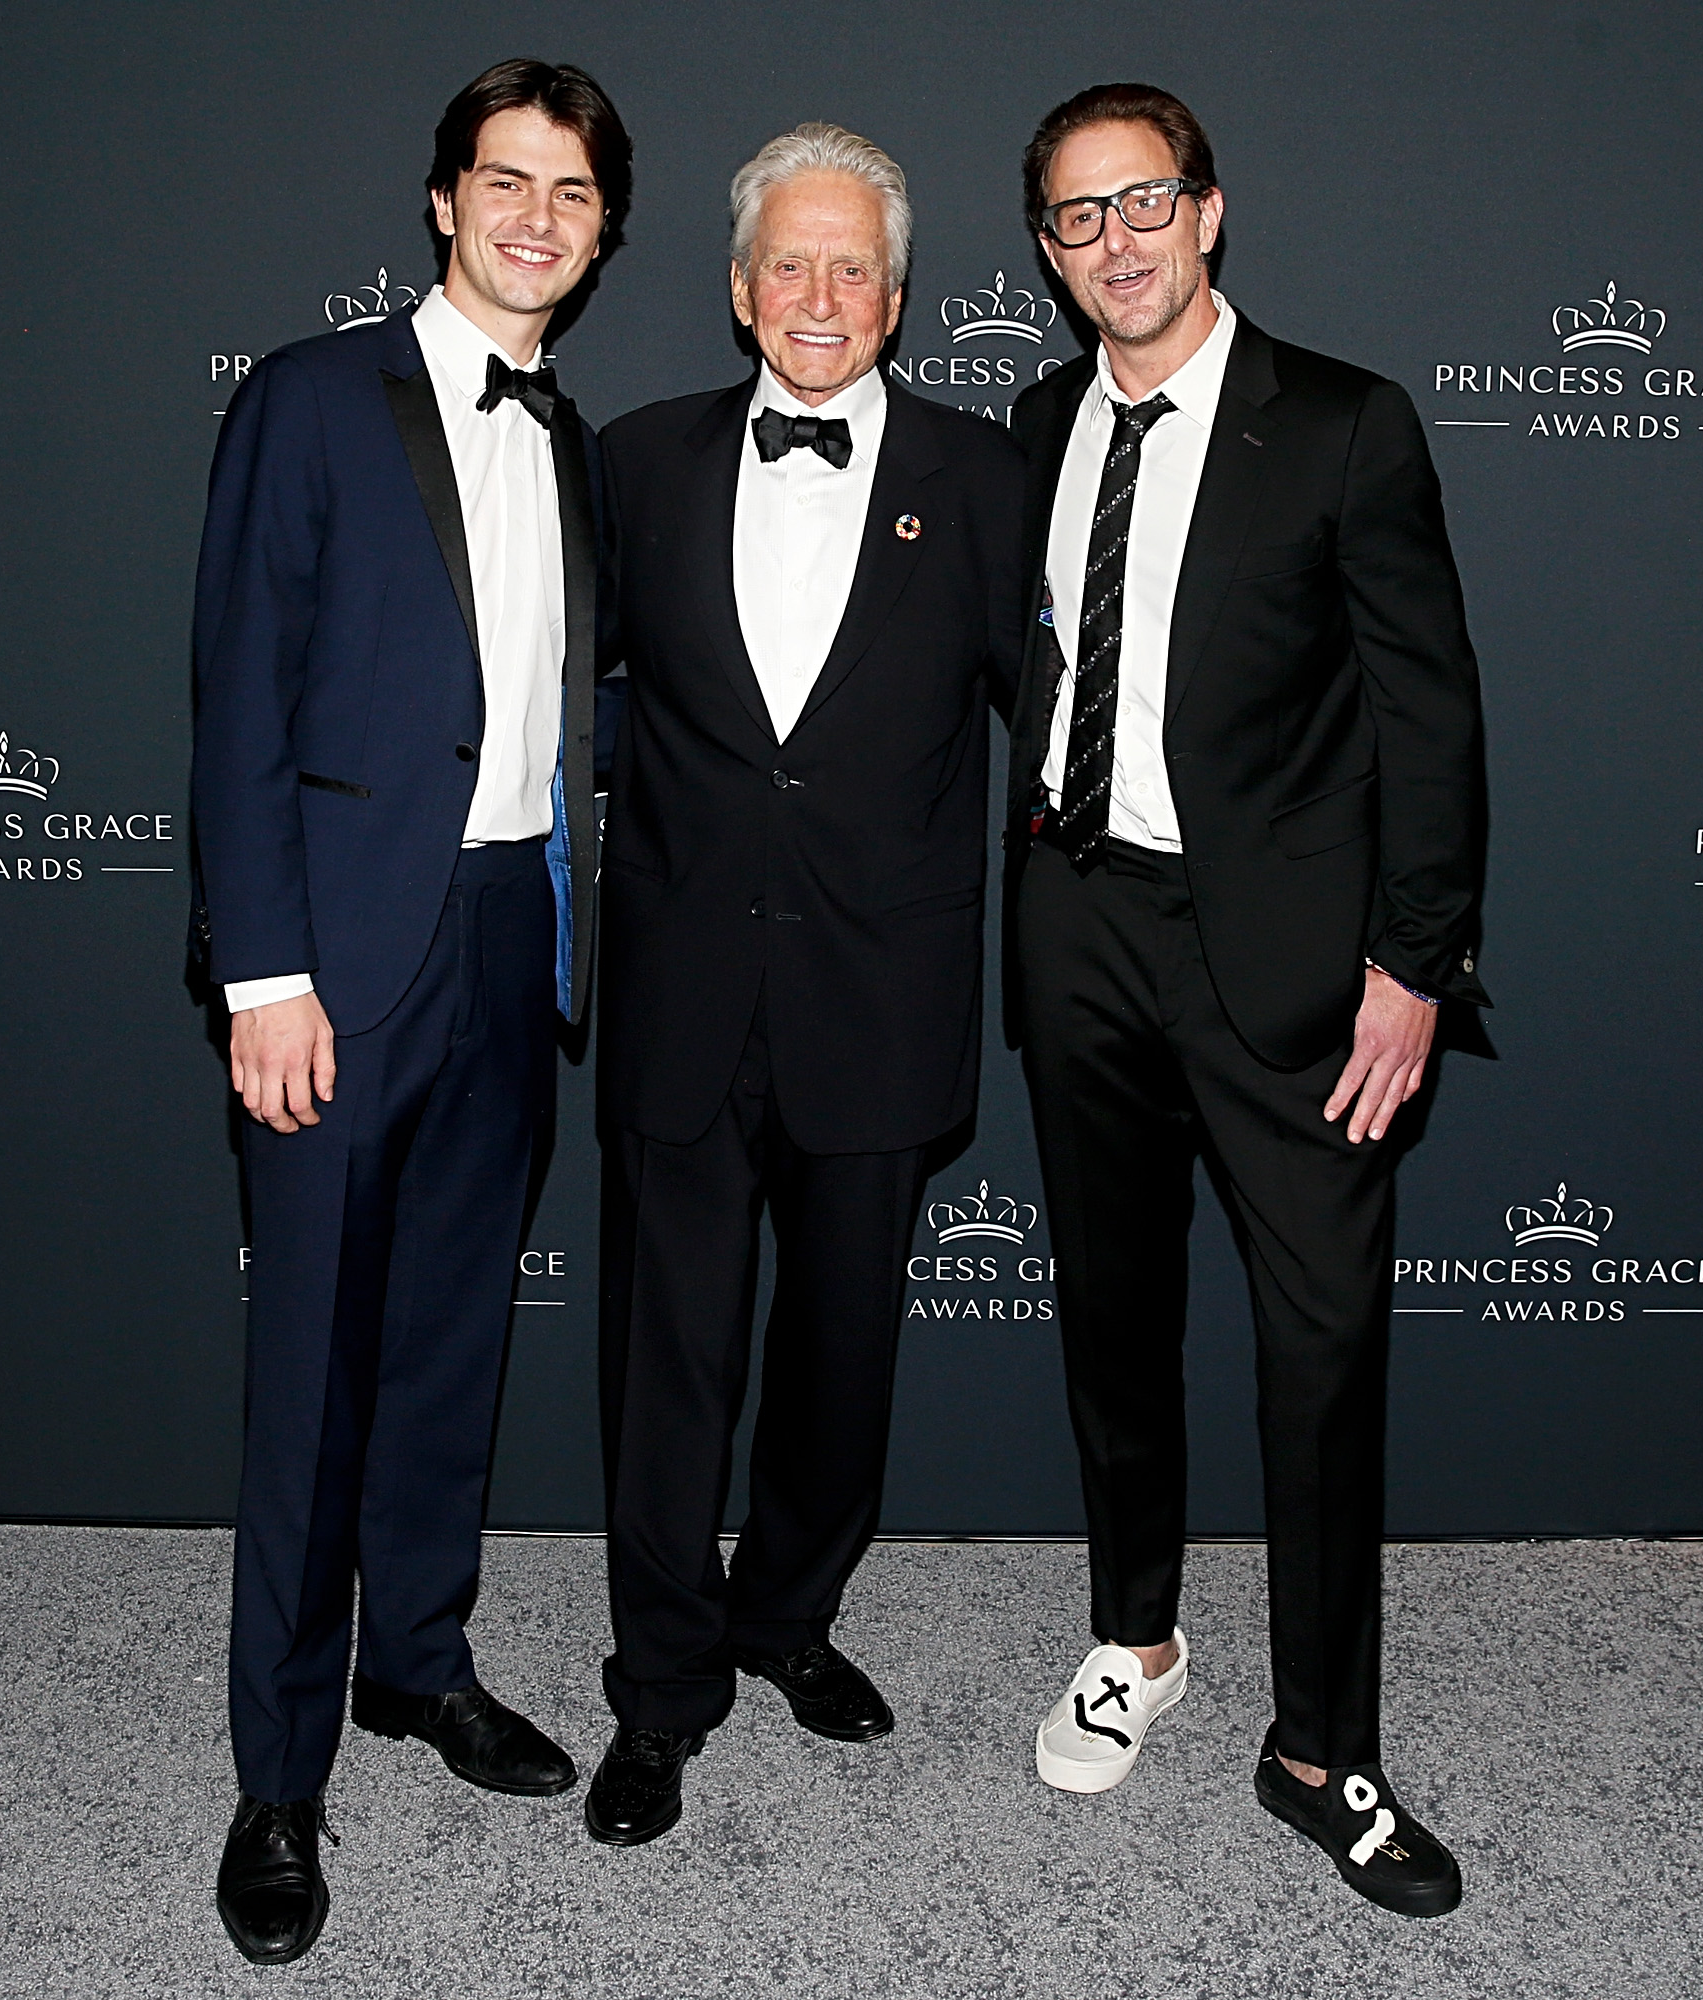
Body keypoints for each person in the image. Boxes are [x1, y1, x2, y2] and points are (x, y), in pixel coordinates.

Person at [1003, 83, 1491, 1919]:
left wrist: (1414, 965)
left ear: (1209, 213)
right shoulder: (1040, 419)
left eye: (1143, 205)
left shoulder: (1346, 425)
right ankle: (1136, 1641)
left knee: (1320, 1354)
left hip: (1287, 964)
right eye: (1074, 219)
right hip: (1074, 928)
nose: (1113, 243)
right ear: (1046, 254)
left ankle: (1322, 1746)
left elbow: (1430, 718)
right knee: (1113, 1320)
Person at [185, 57, 624, 1965]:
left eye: (576, 191)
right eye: (504, 180)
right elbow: (237, 702)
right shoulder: (305, 398)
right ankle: (278, 1771)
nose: (538, 215)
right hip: (341, 955)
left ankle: (415, 1665)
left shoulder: (577, 434)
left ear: (605, 230)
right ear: (443, 201)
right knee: (315, 1379)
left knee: (453, 1340)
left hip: (514, 936)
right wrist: (262, 971)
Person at [581, 122, 1030, 1847]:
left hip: (880, 999)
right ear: (739, 288)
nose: (821, 294)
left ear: (900, 297)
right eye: (791, 261)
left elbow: (1062, 727)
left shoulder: (984, 481)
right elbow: (560, 698)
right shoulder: (637, 462)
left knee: (845, 1361)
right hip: (684, 993)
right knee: (666, 1367)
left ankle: (787, 1617)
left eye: (854, 266)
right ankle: (662, 1693)